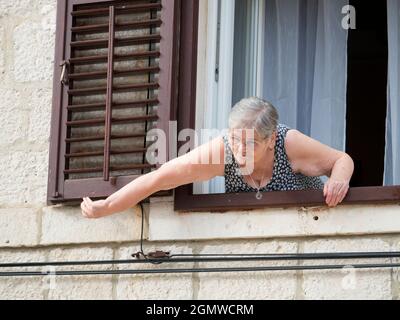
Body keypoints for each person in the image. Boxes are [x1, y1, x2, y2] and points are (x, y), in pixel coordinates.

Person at [81, 97, 354, 219]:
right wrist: (107, 207)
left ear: (271, 140)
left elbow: (341, 159)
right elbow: (159, 179)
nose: (239, 150)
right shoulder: (223, 150)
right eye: (235, 139)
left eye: (249, 143)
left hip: (308, 226)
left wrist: (339, 180)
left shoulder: (289, 142)